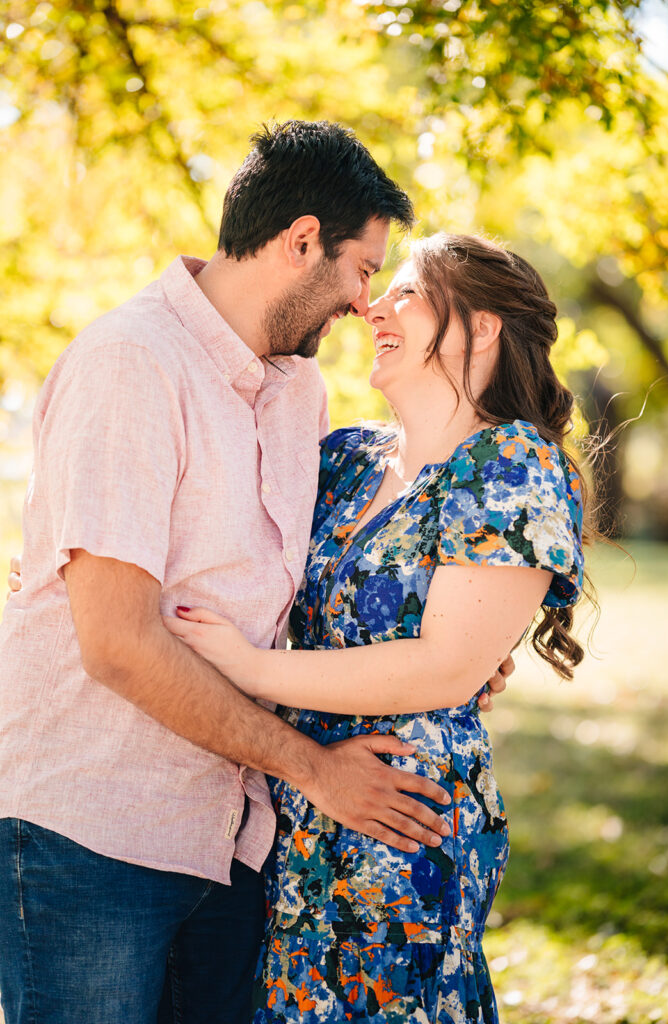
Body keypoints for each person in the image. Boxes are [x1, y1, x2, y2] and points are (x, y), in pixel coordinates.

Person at [0, 123, 511, 1024]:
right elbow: (117, 642)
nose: (365, 304)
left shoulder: (297, 392)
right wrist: (314, 770)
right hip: (93, 835)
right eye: (362, 269)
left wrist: (455, 645)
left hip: (234, 837)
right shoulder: (132, 364)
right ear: (301, 240)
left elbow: (315, 581)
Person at [162, 233, 587, 1022]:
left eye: (407, 292)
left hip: (403, 817)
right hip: (290, 808)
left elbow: (442, 670)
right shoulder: (347, 457)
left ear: (483, 326)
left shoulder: (509, 463)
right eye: (377, 290)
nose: (371, 305)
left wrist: (246, 668)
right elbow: (221, 538)